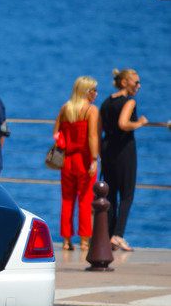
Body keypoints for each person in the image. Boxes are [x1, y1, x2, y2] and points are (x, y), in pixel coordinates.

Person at [99, 69, 148, 251]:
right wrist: (139, 123)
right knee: (126, 194)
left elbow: (99, 130)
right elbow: (123, 123)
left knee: (110, 194)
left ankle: (108, 234)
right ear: (126, 83)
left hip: (107, 148)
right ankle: (118, 235)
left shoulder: (106, 102)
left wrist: (99, 154)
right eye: (136, 83)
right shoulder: (129, 101)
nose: (139, 86)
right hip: (124, 150)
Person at [53, 76, 100, 251]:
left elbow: (56, 133)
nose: (96, 93)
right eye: (93, 90)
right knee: (85, 200)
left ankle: (66, 241)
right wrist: (94, 159)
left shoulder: (66, 108)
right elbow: (92, 136)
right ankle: (85, 241)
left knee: (67, 200)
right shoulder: (91, 110)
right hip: (85, 160)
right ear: (86, 92)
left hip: (67, 160)